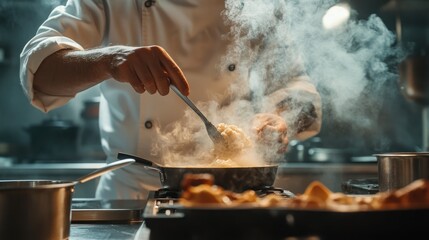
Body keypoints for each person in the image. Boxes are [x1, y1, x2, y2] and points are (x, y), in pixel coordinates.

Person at [20, 0, 322, 199]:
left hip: (232, 197)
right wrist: (108, 60)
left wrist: (280, 117)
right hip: (134, 198)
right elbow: (40, 71)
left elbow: (298, 88)